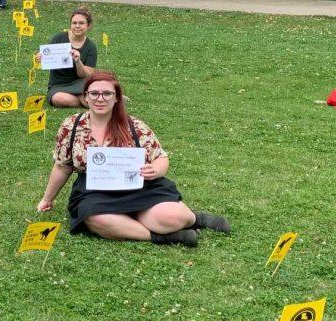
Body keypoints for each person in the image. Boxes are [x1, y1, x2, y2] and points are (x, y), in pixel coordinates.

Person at [36, 71, 230, 247]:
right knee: (96, 219)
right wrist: (47, 199)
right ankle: (165, 237)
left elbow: (160, 158)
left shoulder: (134, 125)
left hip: (139, 187)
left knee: (174, 217)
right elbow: (62, 167)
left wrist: (155, 170)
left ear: (116, 98)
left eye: (107, 94)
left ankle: (196, 219)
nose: (100, 99)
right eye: (94, 93)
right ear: (86, 97)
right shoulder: (71, 126)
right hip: (95, 190)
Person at [36, 5, 98, 107]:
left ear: (88, 25)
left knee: (85, 95)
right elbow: (47, 54)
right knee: (60, 99)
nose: (77, 26)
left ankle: (90, 99)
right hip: (58, 85)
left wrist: (78, 61)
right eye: (74, 23)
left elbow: (87, 75)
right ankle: (91, 100)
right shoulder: (59, 38)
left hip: (80, 82)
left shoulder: (91, 47)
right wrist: (41, 56)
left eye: (81, 23)